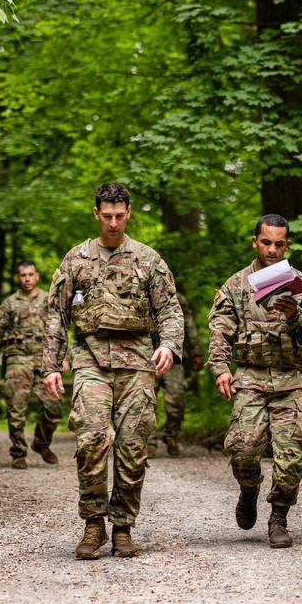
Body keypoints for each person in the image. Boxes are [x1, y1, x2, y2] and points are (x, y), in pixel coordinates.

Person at [42, 183, 184, 559]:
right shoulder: (75, 260)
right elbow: (56, 314)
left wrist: (169, 345)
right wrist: (52, 365)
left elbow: (169, 309)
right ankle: (93, 525)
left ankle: (122, 526)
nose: (114, 223)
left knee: (133, 446)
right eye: (107, 216)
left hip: (137, 361)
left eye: (120, 215)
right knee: (90, 440)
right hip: (90, 360)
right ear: (96, 214)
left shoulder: (148, 259)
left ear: (129, 212)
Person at [206, 214, 302, 549]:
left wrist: (296, 314)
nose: (272, 250)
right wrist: (220, 369)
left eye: (279, 244)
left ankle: (279, 519)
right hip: (250, 379)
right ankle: (248, 489)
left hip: (290, 381)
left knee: (290, 456)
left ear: (287, 245)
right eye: (266, 242)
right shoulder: (236, 284)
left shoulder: (301, 284)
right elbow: (219, 330)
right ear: (255, 242)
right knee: (244, 451)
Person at [0, 261, 68, 470]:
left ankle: (41, 443)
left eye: (30, 275)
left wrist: (64, 358)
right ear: (18, 278)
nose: (27, 279)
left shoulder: (49, 300)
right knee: (15, 407)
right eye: (22, 275)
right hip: (17, 358)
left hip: (44, 359)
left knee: (53, 406)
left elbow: (60, 331)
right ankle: (18, 452)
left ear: (37, 276)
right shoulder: (10, 304)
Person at [149, 291, 205, 457]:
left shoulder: (177, 298)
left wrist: (196, 351)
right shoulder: (134, 292)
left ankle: (171, 435)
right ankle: (148, 440)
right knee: (145, 401)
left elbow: (189, 324)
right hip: (144, 355)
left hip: (172, 356)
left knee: (176, 398)